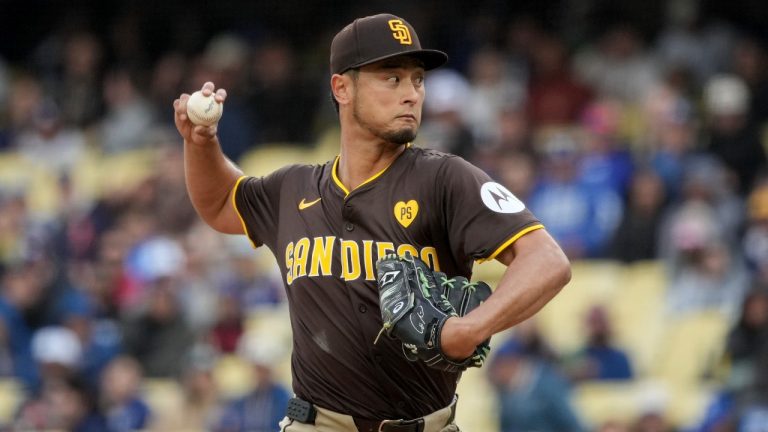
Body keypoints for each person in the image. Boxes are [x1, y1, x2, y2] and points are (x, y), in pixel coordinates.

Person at [173, 13, 571, 432]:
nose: (412, 94)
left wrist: (470, 328)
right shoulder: (293, 188)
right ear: (342, 87)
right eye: (392, 78)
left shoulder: (445, 179)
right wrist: (202, 143)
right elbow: (219, 203)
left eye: (417, 79)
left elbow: (547, 260)